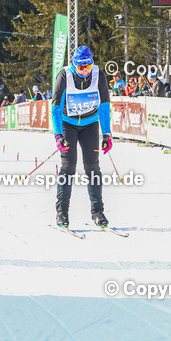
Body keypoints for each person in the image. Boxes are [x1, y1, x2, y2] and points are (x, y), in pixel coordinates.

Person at [50, 46, 112, 229]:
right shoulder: (65, 75)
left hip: (90, 124)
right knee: (68, 167)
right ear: (74, 65)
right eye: (81, 67)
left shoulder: (98, 75)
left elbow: (104, 106)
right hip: (68, 124)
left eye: (88, 66)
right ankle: (62, 212)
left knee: (93, 167)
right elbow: (55, 108)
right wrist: (58, 135)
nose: (85, 71)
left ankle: (98, 211)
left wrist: (107, 134)